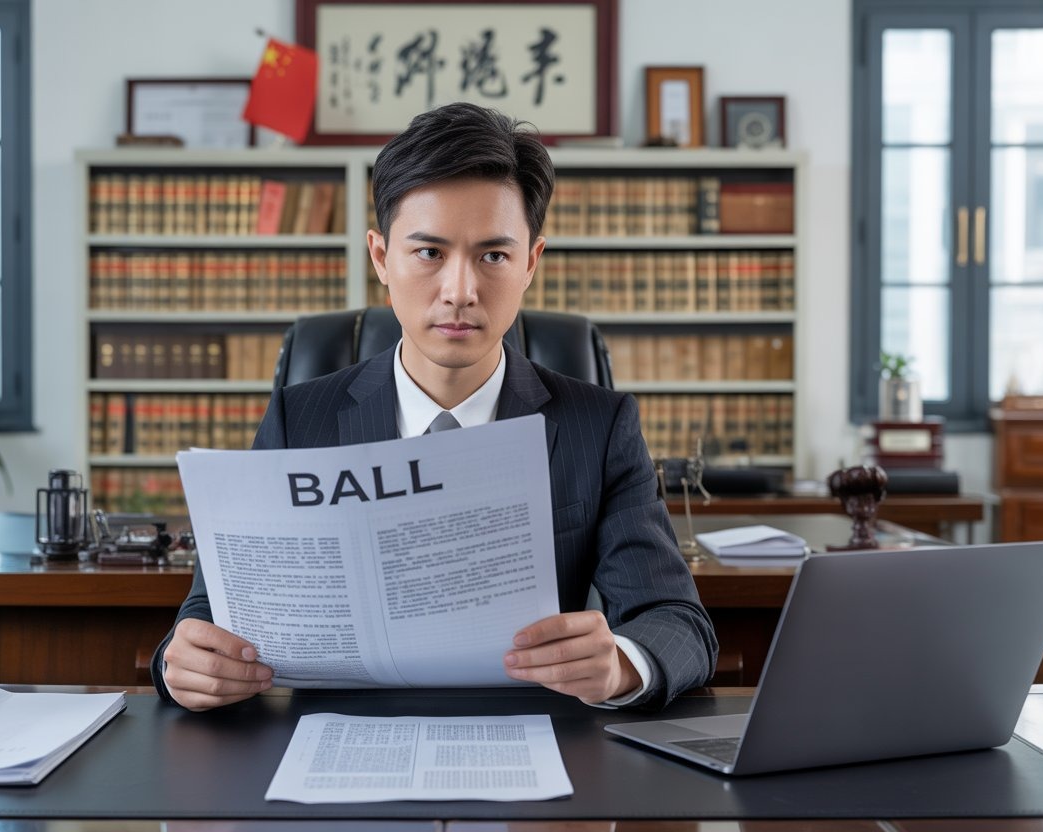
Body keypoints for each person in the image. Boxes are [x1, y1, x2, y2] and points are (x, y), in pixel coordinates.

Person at [152, 102, 718, 712]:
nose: (460, 291)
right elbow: (210, 614)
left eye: (493, 256)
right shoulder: (301, 419)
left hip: (526, 742)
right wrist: (180, 665)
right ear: (380, 258)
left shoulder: (598, 426)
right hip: (336, 745)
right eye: (429, 253)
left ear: (531, 262)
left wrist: (623, 665)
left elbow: (677, 622)